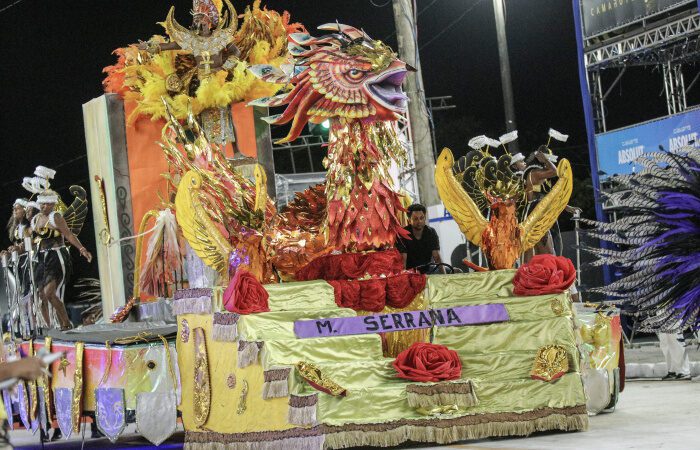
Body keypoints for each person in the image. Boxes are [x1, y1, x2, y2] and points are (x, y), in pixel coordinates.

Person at [31, 190, 92, 330]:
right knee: (41, 294)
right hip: (41, 258)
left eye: (47, 204)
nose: (43, 206)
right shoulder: (36, 219)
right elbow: (33, 240)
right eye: (42, 203)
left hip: (56, 256)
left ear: (53, 204)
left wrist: (82, 249)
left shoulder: (56, 217)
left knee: (49, 292)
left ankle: (66, 322)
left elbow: (69, 235)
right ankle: (52, 326)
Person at [511, 148, 581, 260]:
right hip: (536, 216)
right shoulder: (534, 173)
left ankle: (531, 276)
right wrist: (545, 160)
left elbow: (547, 197)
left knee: (539, 255)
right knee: (547, 255)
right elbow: (555, 172)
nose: (549, 164)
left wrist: (565, 207)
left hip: (534, 214)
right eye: (549, 161)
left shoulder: (531, 175)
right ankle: (531, 276)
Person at [396, 204, 444, 273]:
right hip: (411, 272)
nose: (419, 221)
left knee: (457, 271)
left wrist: (444, 277)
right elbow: (403, 261)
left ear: (425, 218)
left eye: (422, 218)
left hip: (429, 269)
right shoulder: (403, 234)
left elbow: (437, 257)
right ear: (409, 220)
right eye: (415, 219)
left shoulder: (431, 232)